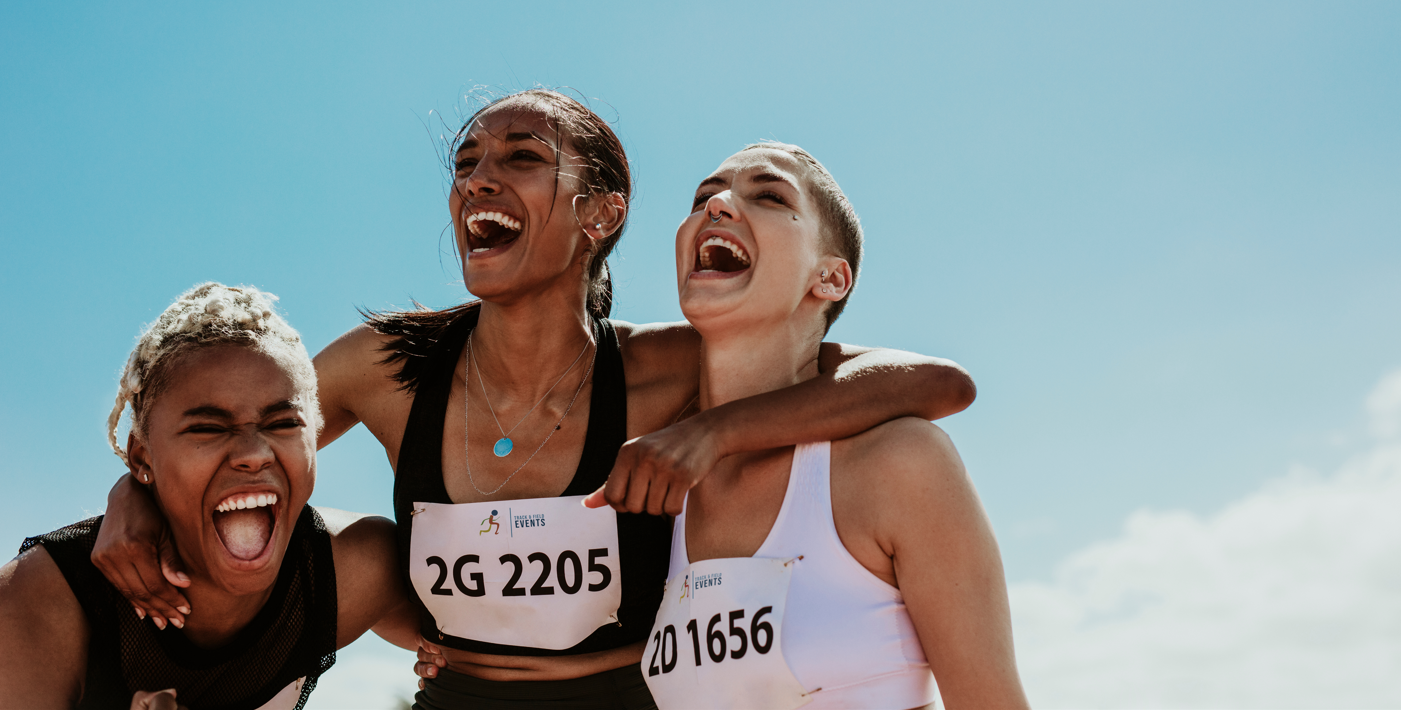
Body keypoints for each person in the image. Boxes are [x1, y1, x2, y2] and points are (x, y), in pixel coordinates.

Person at [93, 91, 977, 709]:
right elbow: (240, 454)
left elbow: (929, 383)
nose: (479, 179)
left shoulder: (667, 367)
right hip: (451, 703)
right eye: (467, 162)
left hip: (634, 702)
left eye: (521, 159)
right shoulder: (387, 365)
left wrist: (709, 433)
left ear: (599, 215)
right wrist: (128, 495)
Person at [638, 143, 1030, 709]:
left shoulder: (899, 462)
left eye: (769, 196)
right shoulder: (653, 483)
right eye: (703, 196)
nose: (717, 205)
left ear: (831, 278)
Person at [0, 283, 415, 710]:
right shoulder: (35, 606)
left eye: (283, 423)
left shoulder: (356, 569)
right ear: (141, 457)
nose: (254, 454)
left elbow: (474, 656)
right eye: (208, 429)